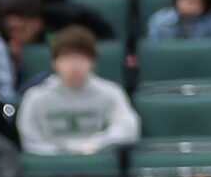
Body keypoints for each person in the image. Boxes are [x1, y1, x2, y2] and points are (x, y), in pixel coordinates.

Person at [16, 25, 137, 158]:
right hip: (52, 166)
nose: (74, 66)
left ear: (93, 61)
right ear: (54, 62)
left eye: (80, 59)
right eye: (67, 59)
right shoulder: (35, 97)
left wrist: (96, 144)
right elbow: (30, 139)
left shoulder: (111, 92)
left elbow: (128, 128)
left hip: (96, 161)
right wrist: (60, 152)